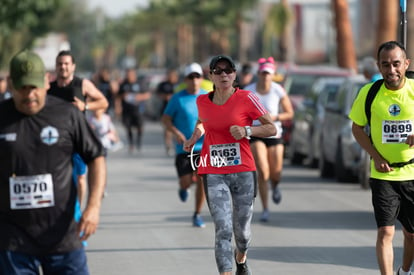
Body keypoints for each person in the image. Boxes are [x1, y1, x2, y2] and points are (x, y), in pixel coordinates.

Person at [0, 49, 106, 274]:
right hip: (12, 240)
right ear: (11, 86)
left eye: (34, 87)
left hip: (62, 236)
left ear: (46, 83)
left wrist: (93, 207)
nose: (29, 95)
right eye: (22, 88)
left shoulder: (67, 115)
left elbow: (96, 157)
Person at [183, 55, 276, 275]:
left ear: (234, 75)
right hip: (213, 171)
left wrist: (247, 131)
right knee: (223, 228)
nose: (224, 74)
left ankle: (241, 258)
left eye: (228, 71)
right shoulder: (202, 101)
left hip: (243, 170)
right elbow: (204, 122)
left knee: (242, 232)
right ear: (211, 76)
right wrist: (193, 138)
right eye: (218, 71)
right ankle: (225, 271)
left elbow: (271, 128)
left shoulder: (247, 98)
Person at [349, 40, 414, 275]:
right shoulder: (369, 93)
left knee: (411, 234)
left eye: (396, 64)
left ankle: (405, 271)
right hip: (383, 174)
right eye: (385, 65)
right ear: (378, 66)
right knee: (386, 232)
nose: (391, 70)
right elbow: (357, 128)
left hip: (412, 173)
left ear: (406, 64)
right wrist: (375, 156)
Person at [48, 50, 109, 206]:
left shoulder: (82, 84)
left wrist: (85, 105)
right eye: (60, 64)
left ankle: (78, 212)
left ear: (73, 66)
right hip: (55, 140)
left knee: (81, 178)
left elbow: (103, 102)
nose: (63, 67)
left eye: (67, 64)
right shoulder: (49, 88)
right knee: (57, 178)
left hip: (77, 139)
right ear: (56, 66)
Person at [244, 57, 294, 222]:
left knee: (275, 172)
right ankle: (265, 208)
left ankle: (276, 184)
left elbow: (290, 113)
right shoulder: (249, 91)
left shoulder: (278, 90)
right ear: (258, 73)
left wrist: (275, 117)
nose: (266, 76)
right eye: (263, 73)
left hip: (274, 133)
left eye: (269, 74)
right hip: (256, 134)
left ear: (273, 75)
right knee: (263, 171)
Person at [161, 63, 207, 228]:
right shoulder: (177, 98)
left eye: (197, 77)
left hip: (203, 147)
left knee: (203, 178)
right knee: (186, 182)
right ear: (185, 80)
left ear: (201, 79)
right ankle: (184, 187)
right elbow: (166, 119)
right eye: (190, 77)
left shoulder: (208, 96)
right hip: (184, 148)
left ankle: (197, 213)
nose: (194, 81)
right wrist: (176, 133)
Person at [117, 67, 151, 153]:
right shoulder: (123, 84)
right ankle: (131, 144)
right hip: (127, 110)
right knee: (128, 127)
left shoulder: (140, 83)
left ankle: (138, 142)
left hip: (138, 110)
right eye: (127, 74)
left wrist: (139, 97)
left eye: (131, 74)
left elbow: (147, 94)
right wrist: (122, 99)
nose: (129, 76)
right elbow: (118, 96)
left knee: (140, 127)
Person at [157, 68, 179, 156]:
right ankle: (168, 146)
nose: (171, 77)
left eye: (173, 76)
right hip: (166, 109)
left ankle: (177, 144)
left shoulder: (179, 85)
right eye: (170, 76)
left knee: (177, 128)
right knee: (167, 129)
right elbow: (158, 93)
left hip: (178, 110)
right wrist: (166, 97)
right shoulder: (163, 85)